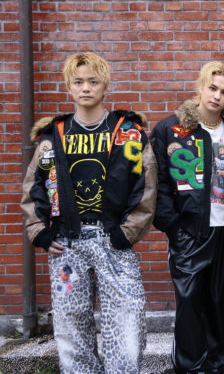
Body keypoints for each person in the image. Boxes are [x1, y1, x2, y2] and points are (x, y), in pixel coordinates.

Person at [21, 52, 157, 373]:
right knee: (71, 321)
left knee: (127, 316)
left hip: (113, 240)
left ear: (105, 85)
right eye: (78, 82)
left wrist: (127, 232)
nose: (85, 88)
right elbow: (33, 186)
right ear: (68, 87)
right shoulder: (54, 136)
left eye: (93, 81)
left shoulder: (128, 133)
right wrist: (40, 231)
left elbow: (146, 186)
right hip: (66, 244)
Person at [150, 61, 224, 373]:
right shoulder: (171, 129)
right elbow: (157, 182)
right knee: (190, 303)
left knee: (221, 303)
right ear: (200, 88)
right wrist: (172, 225)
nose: (217, 96)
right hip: (189, 230)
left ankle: (217, 364)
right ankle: (190, 367)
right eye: (212, 88)